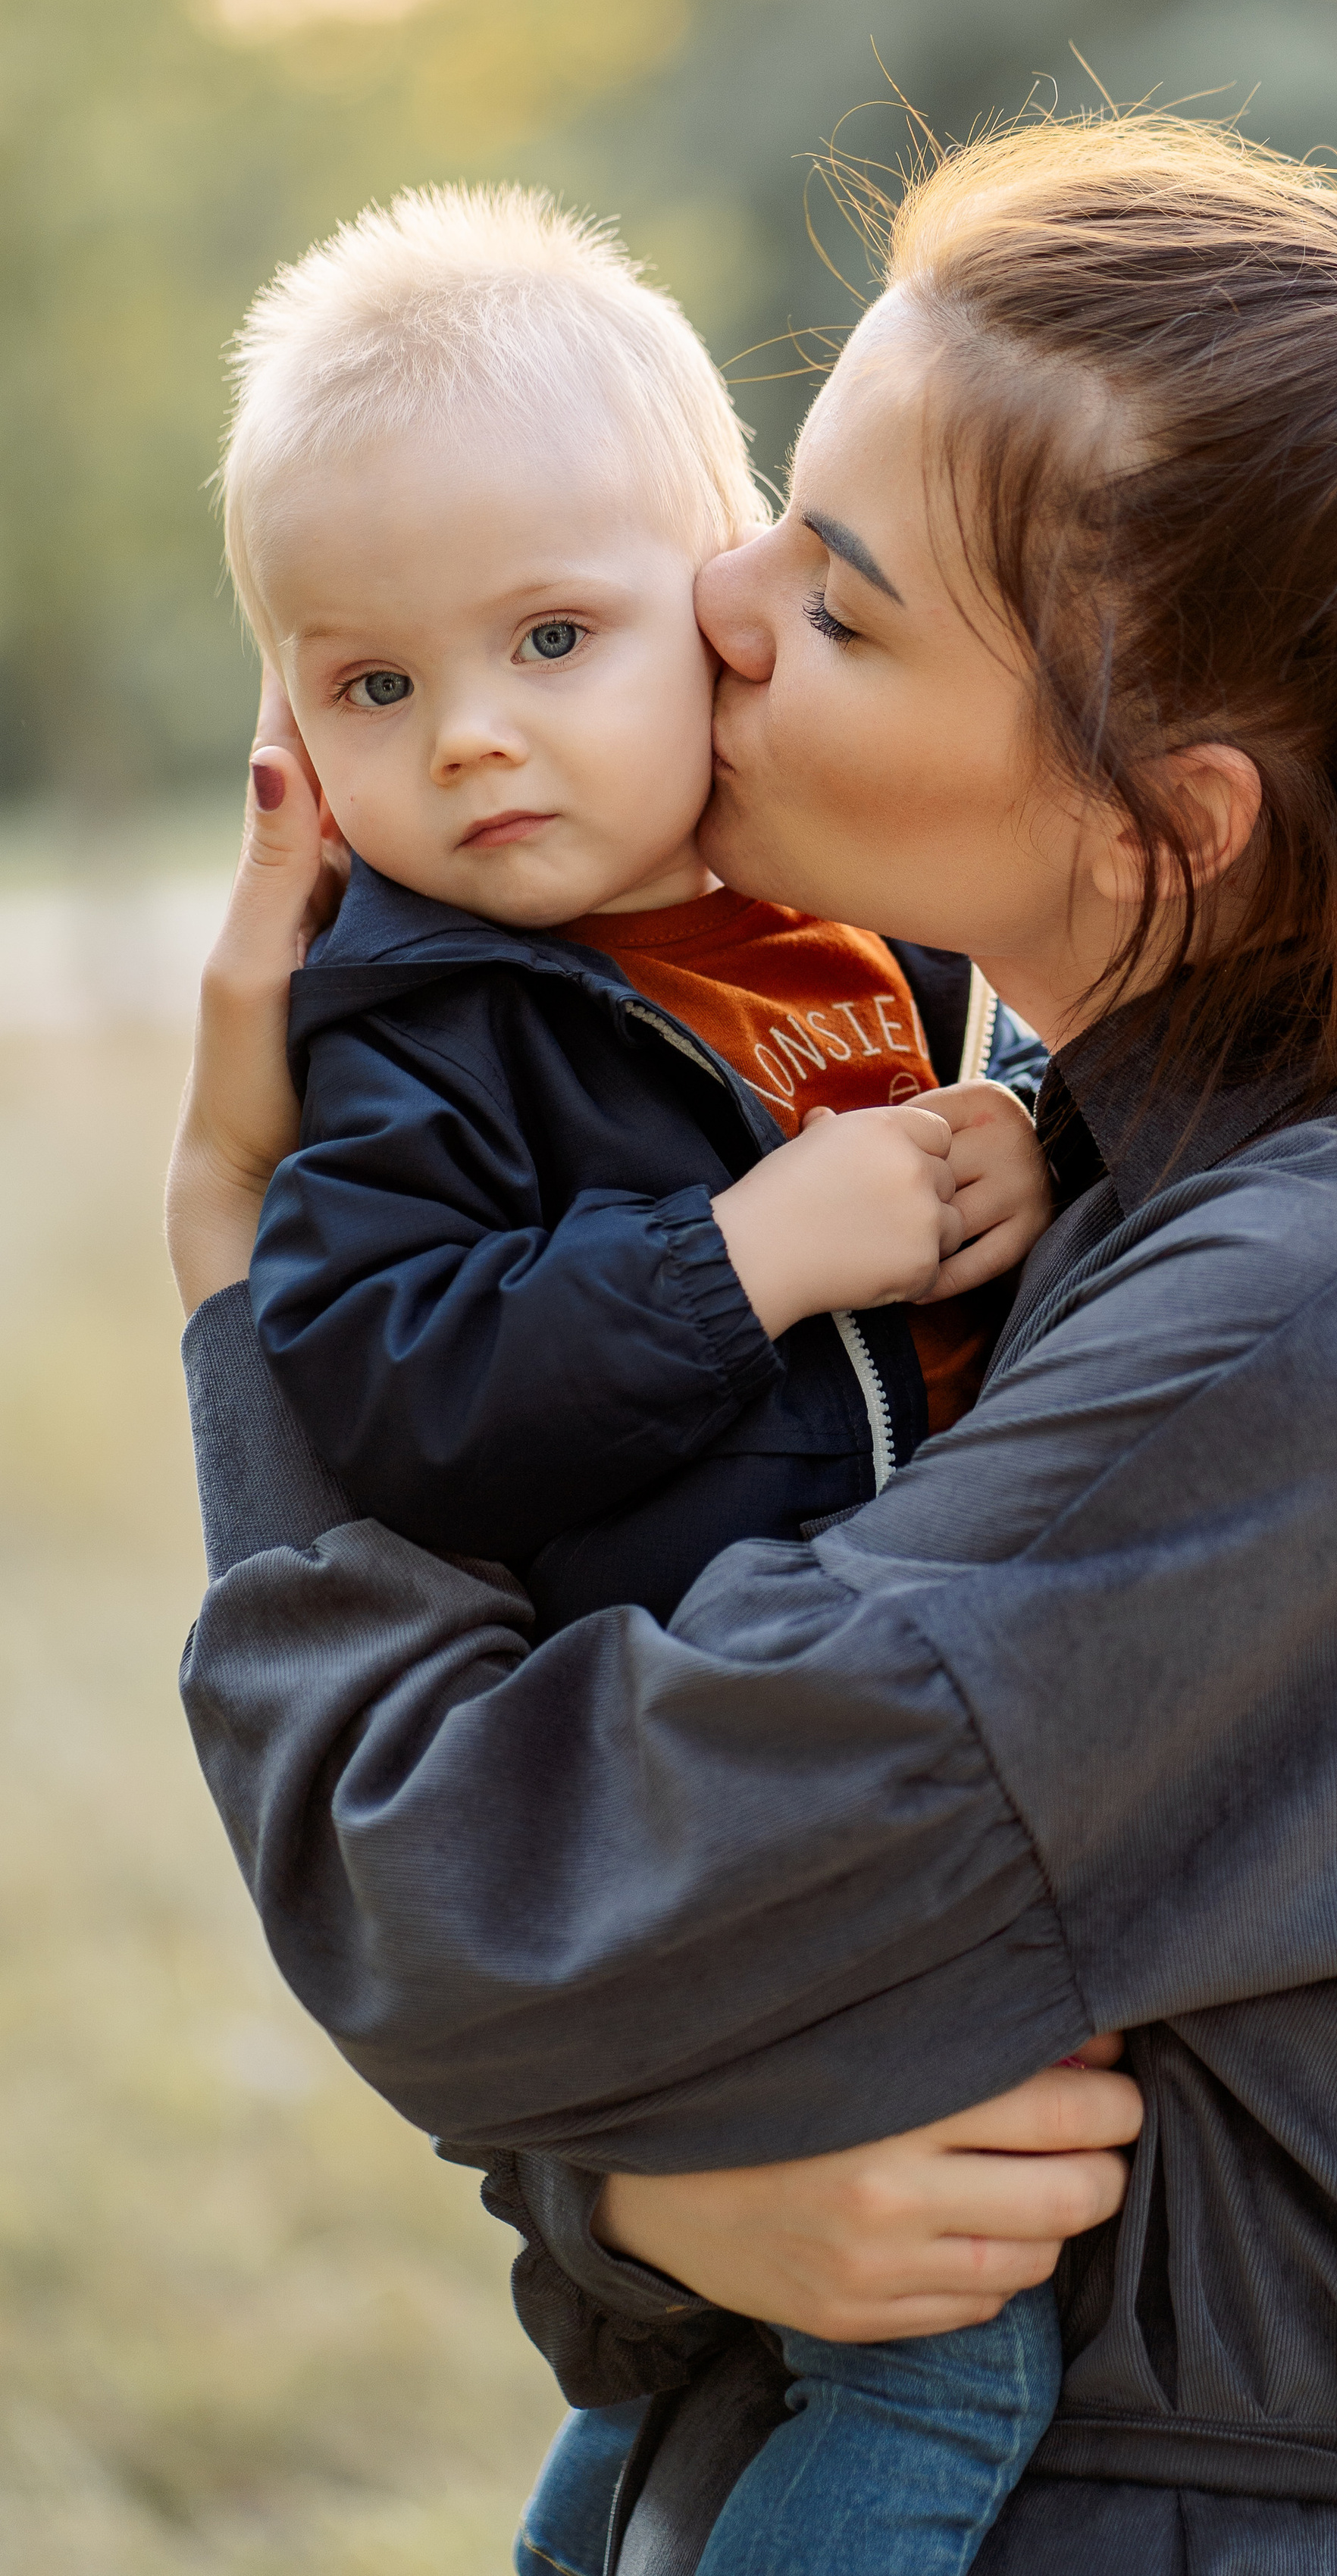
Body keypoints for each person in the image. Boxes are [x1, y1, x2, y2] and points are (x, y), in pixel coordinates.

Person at [170, 117, 1337, 2576]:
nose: (710, 600)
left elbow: (511, 1912)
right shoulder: (1110, 1159)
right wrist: (656, 2214)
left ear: (1171, 821)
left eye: (833, 605)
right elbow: (747, 1931)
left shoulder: (1304, 1344)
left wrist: (235, 1292)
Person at [216, 180, 1068, 2574]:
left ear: (724, 603)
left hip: (844, 1742)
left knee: (721, 2358)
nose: (474, 738)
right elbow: (391, 1385)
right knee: (943, 2363)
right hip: (678, 1801)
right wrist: (746, 1258)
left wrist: (1013, 1139)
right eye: (374, 686)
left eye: (555, 635)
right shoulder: (417, 1028)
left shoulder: (845, 911)